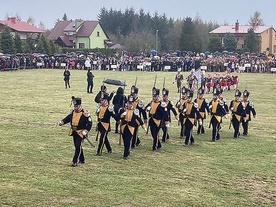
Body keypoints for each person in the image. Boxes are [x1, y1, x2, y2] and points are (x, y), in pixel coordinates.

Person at [56, 96, 92, 167]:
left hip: (81, 132)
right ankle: (82, 159)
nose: (75, 108)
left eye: (77, 106)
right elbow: (67, 119)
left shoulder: (85, 114)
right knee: (76, 145)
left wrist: (86, 130)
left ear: (80, 106)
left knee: (78, 145)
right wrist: (62, 122)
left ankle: (75, 161)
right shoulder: (73, 112)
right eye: (74, 106)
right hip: (74, 131)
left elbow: (89, 124)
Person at [118, 95, 147, 159]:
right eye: (129, 103)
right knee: (125, 141)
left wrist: (143, 126)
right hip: (124, 127)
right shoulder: (123, 109)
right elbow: (118, 117)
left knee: (128, 141)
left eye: (131, 103)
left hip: (131, 128)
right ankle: (127, 151)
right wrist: (122, 115)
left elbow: (139, 119)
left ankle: (125, 154)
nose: (129, 105)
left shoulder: (135, 111)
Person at [145, 87, 169, 152]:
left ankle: (154, 147)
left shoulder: (162, 104)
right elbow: (145, 108)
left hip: (158, 121)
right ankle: (159, 144)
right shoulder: (151, 102)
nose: (154, 97)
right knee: (153, 133)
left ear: (158, 96)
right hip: (151, 120)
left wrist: (166, 122)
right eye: (153, 96)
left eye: (155, 96)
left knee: (155, 134)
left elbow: (165, 113)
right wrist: (148, 108)